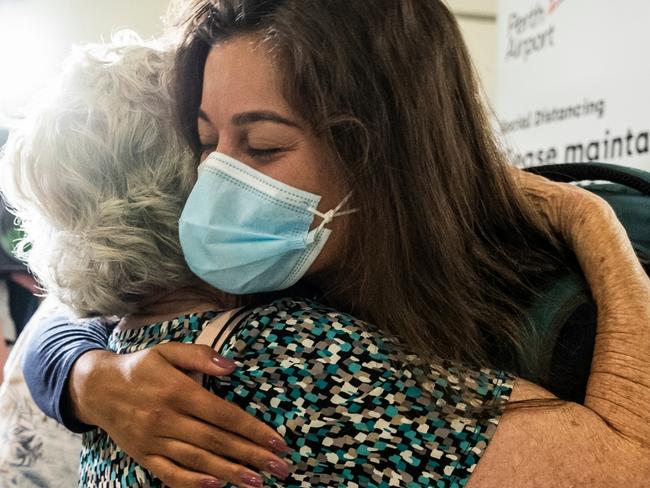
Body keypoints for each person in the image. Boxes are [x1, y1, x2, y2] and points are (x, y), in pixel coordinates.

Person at [13, 0, 650, 486]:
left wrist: (588, 219)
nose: (215, 186)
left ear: (383, 149)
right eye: (205, 143)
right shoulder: (267, 271)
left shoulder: (564, 320)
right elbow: (67, 309)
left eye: (262, 147)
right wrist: (90, 376)